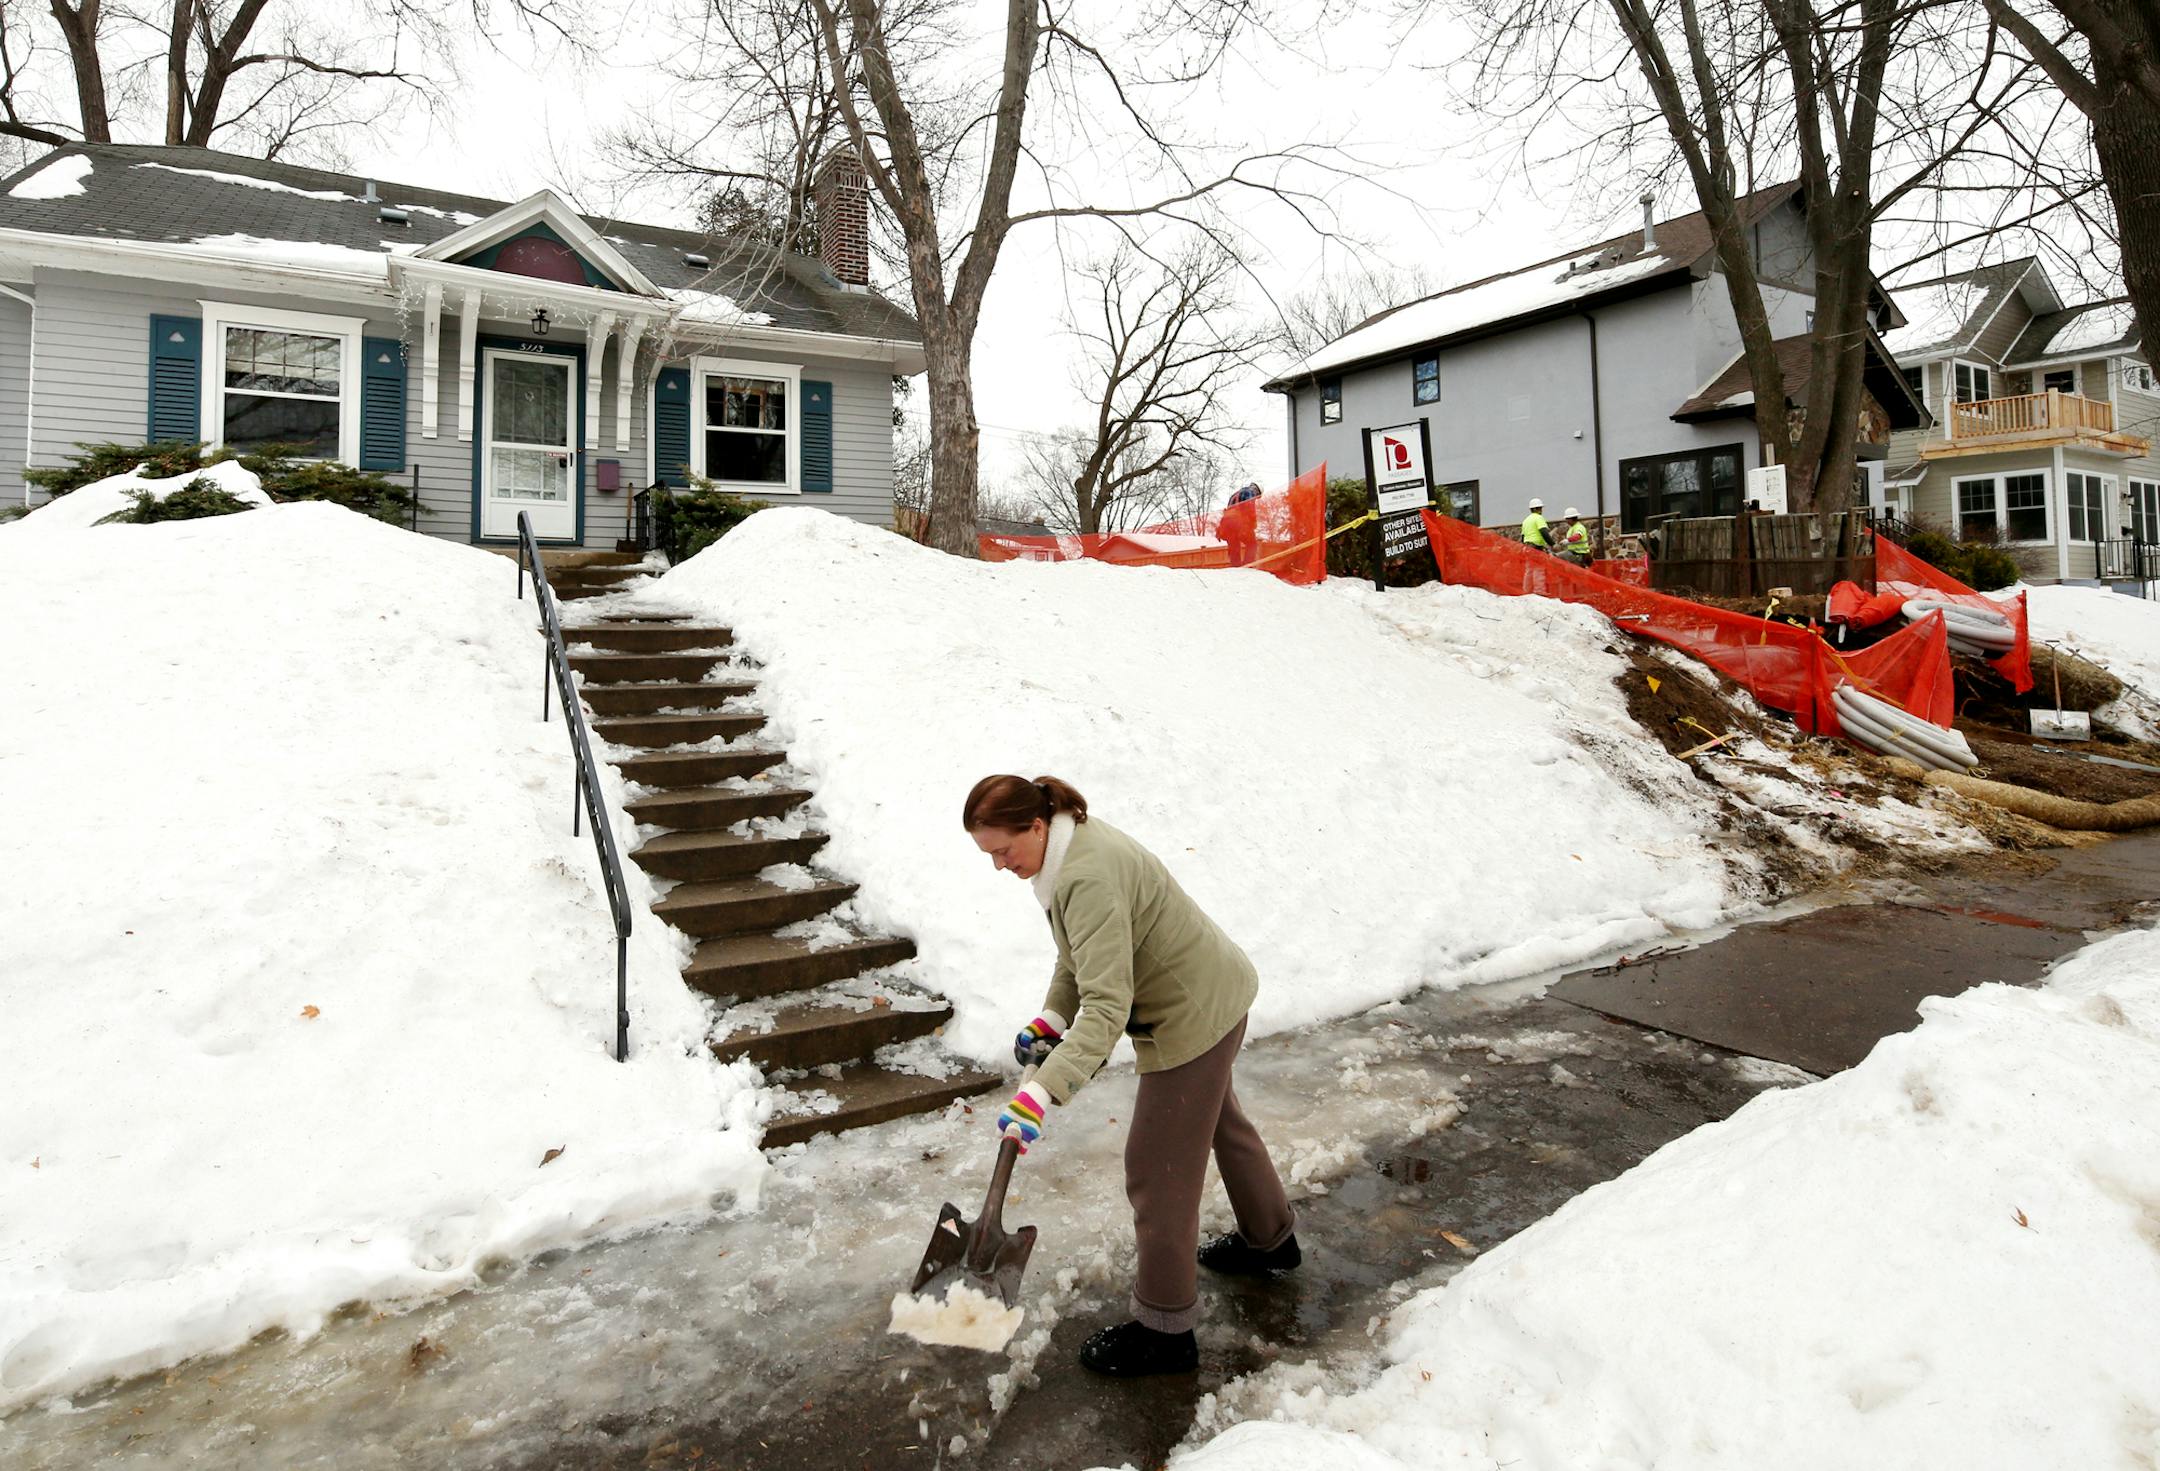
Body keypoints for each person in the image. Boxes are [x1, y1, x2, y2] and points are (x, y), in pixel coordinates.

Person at [964, 774, 1298, 1378]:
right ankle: (1270, 1240)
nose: (998, 865)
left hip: (1192, 1016)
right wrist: (1052, 1016)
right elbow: (1081, 956)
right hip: (1213, 992)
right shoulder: (1069, 849)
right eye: (988, 854)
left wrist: (1041, 1092)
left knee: (1157, 1172)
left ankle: (1165, 1331)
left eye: (1002, 850)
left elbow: (1109, 1008)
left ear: (1036, 827)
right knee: (1221, 1122)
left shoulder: (1085, 876)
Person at [1221, 481, 1263, 567]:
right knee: (1252, 544)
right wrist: (1253, 523)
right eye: (1258, 496)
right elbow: (1250, 509)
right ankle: (1247, 566)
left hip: (1227, 524)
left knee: (1234, 547)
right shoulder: (1250, 492)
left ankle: (1236, 567)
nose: (1256, 498)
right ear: (1257, 491)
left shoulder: (1234, 495)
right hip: (1239, 523)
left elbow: (1229, 510)